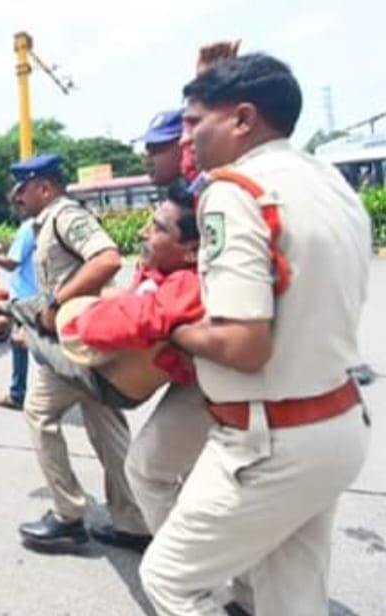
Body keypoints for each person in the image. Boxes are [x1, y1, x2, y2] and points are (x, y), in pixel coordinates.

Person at [140, 53, 373, 616]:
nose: (186, 139)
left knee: (170, 579)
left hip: (270, 441)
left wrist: (174, 328)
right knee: (291, 597)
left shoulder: (234, 190)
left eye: (196, 123)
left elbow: (245, 346)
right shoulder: (328, 181)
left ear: (243, 119)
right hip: (337, 424)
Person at [10, 154, 149, 552]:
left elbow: (106, 258)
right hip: (84, 340)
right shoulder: (46, 222)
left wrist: (56, 303)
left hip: (77, 341)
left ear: (45, 187)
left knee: (38, 412)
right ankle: (135, 521)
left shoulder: (65, 216)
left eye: (23, 189)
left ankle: (68, 515)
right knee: (106, 427)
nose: (18, 197)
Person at [59, 184, 213, 534]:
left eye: (159, 228)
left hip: (214, 386)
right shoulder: (177, 271)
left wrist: (77, 322)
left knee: (147, 470)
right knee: (193, 479)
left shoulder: (189, 282)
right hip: (204, 383)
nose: (145, 231)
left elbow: (142, 317)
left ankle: (184, 572)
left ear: (192, 251)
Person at [0, 182, 38, 410]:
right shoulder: (36, 224)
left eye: (17, 201)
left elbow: (11, 263)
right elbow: (11, 251)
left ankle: (19, 394)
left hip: (26, 298)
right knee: (26, 344)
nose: (15, 207)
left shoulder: (28, 226)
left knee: (28, 345)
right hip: (34, 296)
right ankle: (22, 392)